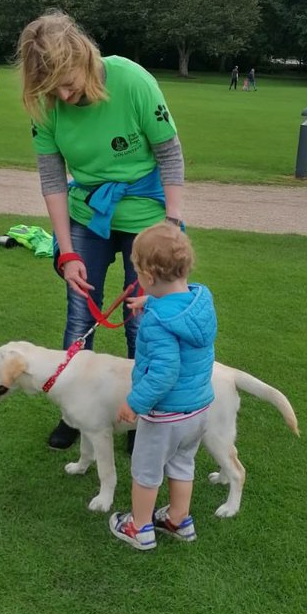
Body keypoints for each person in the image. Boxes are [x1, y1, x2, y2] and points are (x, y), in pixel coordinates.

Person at [16, 9, 186, 451]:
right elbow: (53, 178)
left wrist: (172, 226)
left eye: (68, 83)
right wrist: (67, 252)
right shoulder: (49, 104)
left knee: (142, 318)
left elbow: (169, 156)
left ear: (85, 56)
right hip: (88, 211)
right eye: (53, 89)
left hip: (145, 213)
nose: (65, 96)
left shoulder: (132, 81)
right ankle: (74, 412)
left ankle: (140, 413)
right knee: (78, 315)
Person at [109, 223, 217, 551]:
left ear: (149, 276)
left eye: (138, 272)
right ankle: (178, 519)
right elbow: (174, 306)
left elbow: (164, 372)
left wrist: (135, 402)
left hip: (166, 415)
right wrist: (151, 301)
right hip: (198, 409)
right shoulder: (200, 299)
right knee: (183, 463)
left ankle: (140, 528)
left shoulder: (157, 323)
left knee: (146, 470)